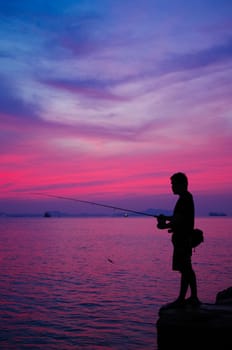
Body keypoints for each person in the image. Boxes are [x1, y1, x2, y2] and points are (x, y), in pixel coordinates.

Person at [156, 172, 201, 308]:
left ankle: (188, 298)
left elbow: (180, 220)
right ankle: (188, 297)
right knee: (185, 269)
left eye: (174, 184)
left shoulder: (185, 198)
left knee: (186, 268)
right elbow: (178, 218)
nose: (172, 187)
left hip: (183, 239)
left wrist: (165, 224)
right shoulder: (185, 198)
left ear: (182, 184)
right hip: (182, 239)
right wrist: (167, 220)